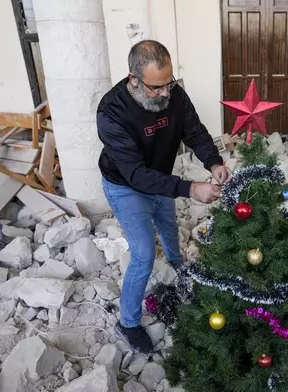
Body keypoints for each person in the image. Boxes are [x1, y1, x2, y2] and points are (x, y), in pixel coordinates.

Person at [97, 40, 231, 354]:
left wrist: (213, 162)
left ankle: (176, 270)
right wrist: (190, 189)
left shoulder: (175, 96)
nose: (165, 93)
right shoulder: (111, 112)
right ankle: (128, 322)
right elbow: (136, 175)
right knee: (143, 255)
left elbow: (195, 132)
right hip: (125, 186)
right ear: (133, 79)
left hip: (160, 179)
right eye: (156, 88)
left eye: (168, 84)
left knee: (169, 230)